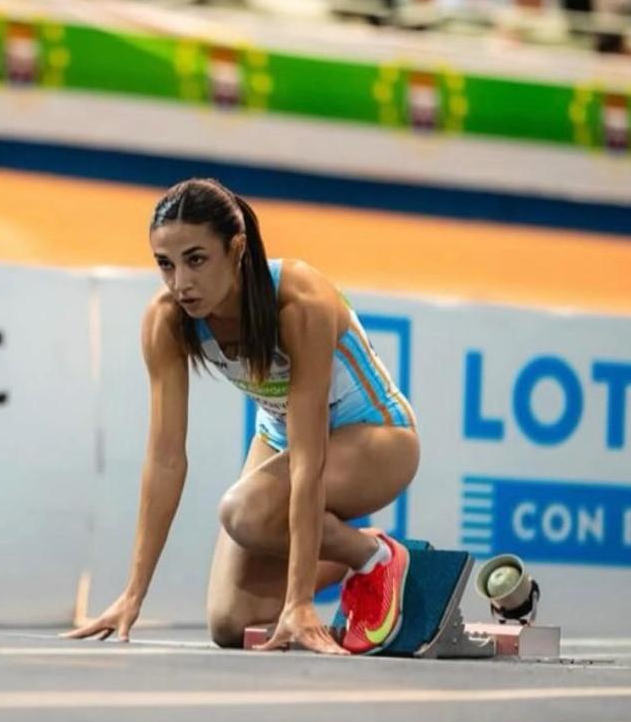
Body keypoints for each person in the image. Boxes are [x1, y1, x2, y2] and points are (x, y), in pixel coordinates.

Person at [65, 178, 419, 655]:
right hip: (281, 438)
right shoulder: (167, 320)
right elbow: (167, 459)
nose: (181, 283)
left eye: (196, 259)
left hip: (378, 437)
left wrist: (299, 602)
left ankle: (375, 557)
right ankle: (360, 549)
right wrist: (133, 594)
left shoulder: (299, 303)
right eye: (165, 265)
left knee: (243, 512)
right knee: (232, 622)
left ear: (236, 249)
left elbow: (308, 460)